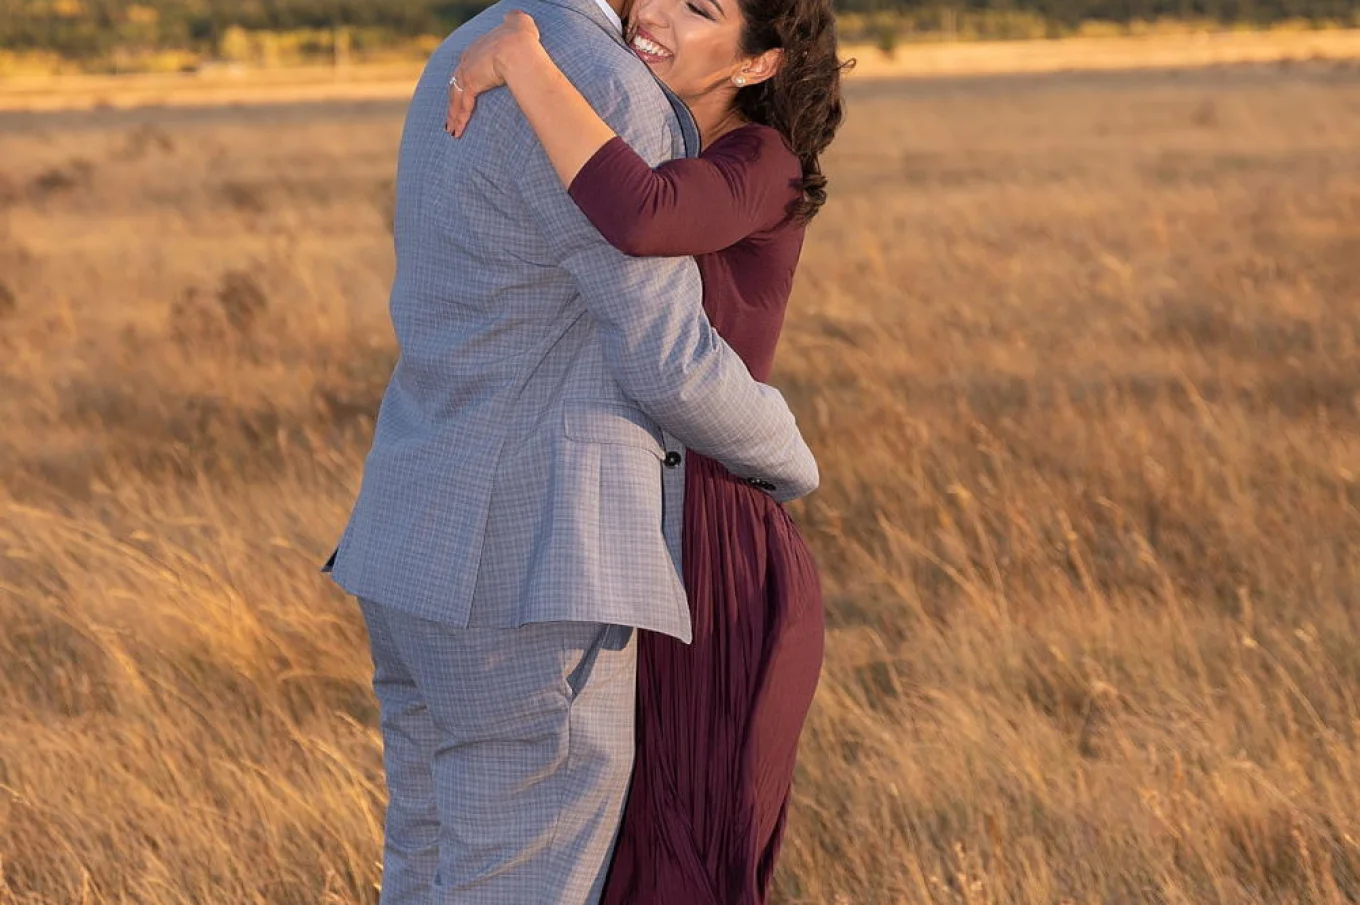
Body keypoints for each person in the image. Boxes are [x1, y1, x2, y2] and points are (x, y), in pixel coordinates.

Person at [322, 0, 824, 900]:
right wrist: (792, 463)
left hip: (412, 537)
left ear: (759, 64)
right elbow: (666, 356)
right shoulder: (599, 86)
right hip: (530, 571)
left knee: (431, 871)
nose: (661, 9)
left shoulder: (466, 45)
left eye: (700, 5)